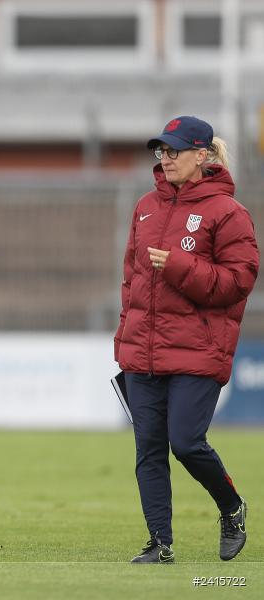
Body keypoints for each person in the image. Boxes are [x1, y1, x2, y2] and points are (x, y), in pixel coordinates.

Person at [114, 116, 258, 563]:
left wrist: (177, 265)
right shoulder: (144, 207)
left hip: (198, 350)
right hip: (143, 352)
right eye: (162, 151)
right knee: (148, 451)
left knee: (187, 443)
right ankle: (161, 543)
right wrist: (124, 339)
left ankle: (231, 507)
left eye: (175, 150)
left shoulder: (229, 213)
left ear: (203, 155)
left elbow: (238, 282)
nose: (166, 158)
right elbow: (130, 282)